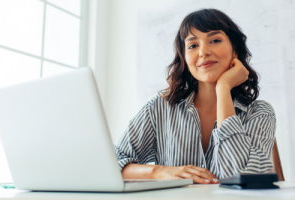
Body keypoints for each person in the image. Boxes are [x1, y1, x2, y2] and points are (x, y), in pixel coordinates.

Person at [114, 8, 276, 184]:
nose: (203, 52)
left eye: (215, 40)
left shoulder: (260, 112)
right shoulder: (159, 108)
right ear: (184, 57)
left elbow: (241, 177)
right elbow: (113, 164)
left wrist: (223, 88)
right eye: (193, 45)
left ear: (234, 50)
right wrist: (159, 172)